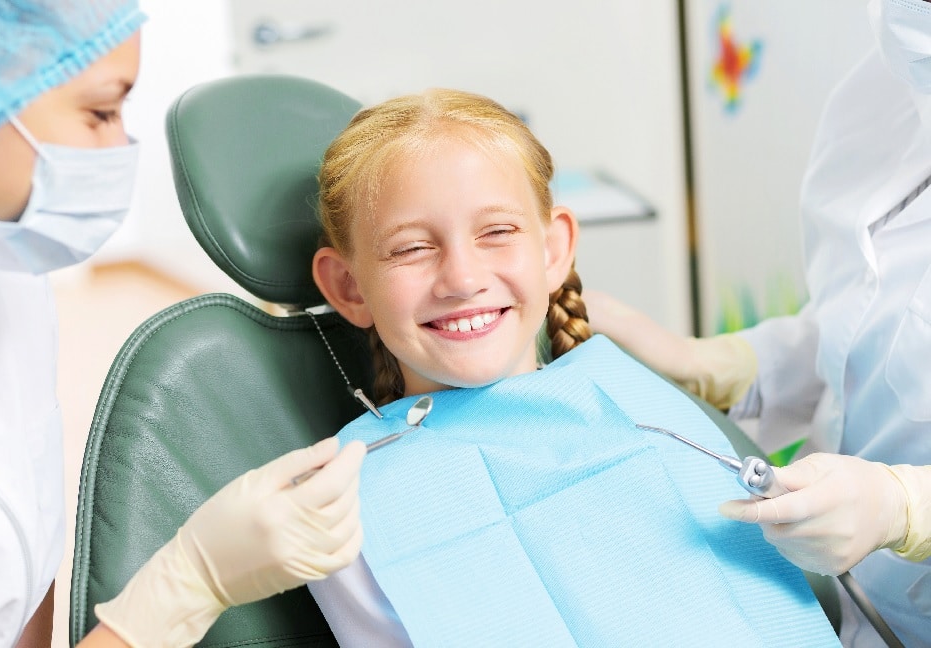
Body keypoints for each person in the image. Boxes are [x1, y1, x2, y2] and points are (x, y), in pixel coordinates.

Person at [304, 87, 842, 646]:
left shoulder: (644, 410)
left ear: (554, 250)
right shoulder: (355, 504)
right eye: (412, 248)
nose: (463, 279)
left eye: (497, 232)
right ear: (349, 286)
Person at [0, 2, 365, 646]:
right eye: (100, 112)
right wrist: (192, 584)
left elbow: (21, 566)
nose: (121, 149)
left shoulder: (9, 284)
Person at [582, 1, 931, 645]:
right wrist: (738, 366)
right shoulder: (885, 92)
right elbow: (879, 324)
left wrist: (906, 507)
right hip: (820, 600)